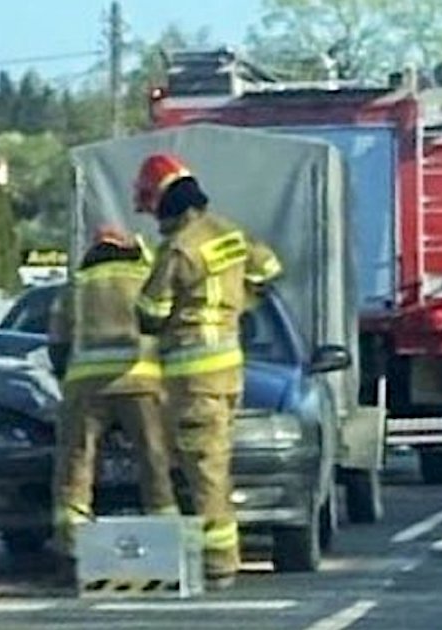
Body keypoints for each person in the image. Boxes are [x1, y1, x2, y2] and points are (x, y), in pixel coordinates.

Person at [132, 154, 282, 591]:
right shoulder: (230, 233)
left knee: (204, 469)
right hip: (230, 371)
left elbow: (150, 312)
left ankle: (219, 564)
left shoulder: (178, 249)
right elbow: (270, 270)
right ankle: (207, 554)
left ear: (165, 204)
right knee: (212, 462)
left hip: (193, 377)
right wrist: (242, 303)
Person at [48, 225, 179, 567]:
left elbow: (58, 340)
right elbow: (164, 321)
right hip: (140, 382)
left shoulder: (78, 282)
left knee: (76, 462)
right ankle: (163, 540)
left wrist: (65, 376)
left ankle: (71, 545)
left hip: (86, 385)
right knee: (154, 460)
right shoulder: (144, 274)